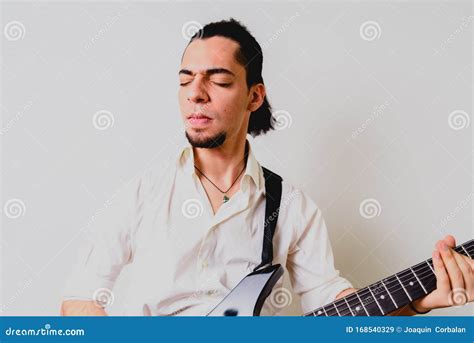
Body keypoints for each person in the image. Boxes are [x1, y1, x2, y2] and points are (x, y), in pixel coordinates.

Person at [61, 19, 473, 316]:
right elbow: (80, 297)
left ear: (254, 96)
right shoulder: (142, 194)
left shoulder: (291, 208)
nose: (196, 95)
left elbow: (341, 316)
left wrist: (419, 302)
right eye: (185, 80)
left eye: (218, 81)